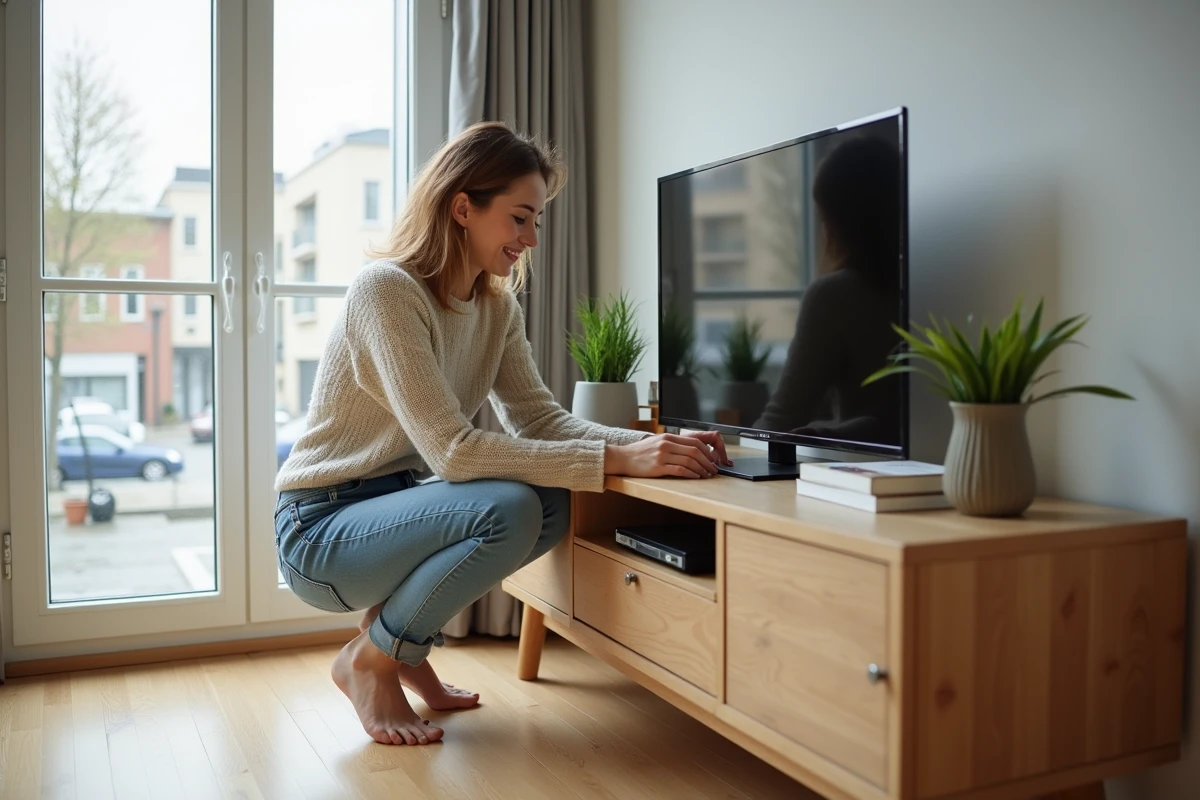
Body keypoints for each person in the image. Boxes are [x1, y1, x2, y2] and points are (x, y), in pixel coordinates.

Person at [273, 121, 731, 747]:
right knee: (509, 507)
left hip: (391, 511)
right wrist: (620, 458)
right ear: (463, 207)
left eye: (536, 222)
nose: (531, 239)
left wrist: (643, 447)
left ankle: (398, 649)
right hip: (320, 529)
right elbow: (454, 453)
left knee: (551, 501)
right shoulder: (386, 292)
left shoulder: (495, 309)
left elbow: (541, 419)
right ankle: (369, 662)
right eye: (520, 218)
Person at [753, 133, 903, 442]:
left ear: (837, 223)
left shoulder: (834, 297)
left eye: (824, 216)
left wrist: (719, 454)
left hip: (856, 476)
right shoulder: (932, 285)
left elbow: (782, 418)